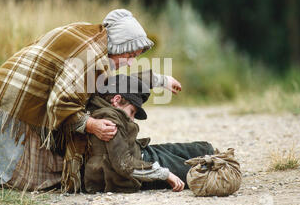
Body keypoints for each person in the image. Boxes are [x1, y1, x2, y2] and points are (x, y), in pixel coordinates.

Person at [0, 9, 182, 193]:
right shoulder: (91, 56)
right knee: (36, 174)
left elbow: (110, 84)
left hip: (9, 96)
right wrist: (91, 125)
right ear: (121, 46)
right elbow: (60, 105)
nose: (130, 62)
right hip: (13, 107)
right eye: (131, 55)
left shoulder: (96, 38)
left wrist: (160, 80)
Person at [83, 74, 214, 193]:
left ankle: (212, 154)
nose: (132, 119)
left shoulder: (103, 102)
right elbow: (124, 164)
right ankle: (220, 165)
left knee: (202, 148)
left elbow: (130, 79)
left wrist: (162, 81)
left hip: (141, 152)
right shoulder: (109, 121)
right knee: (204, 171)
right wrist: (164, 174)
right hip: (141, 166)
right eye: (132, 112)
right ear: (116, 100)